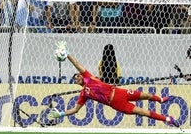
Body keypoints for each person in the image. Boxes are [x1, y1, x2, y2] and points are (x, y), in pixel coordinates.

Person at [50, 41, 180, 128]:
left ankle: (161, 100)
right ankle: (168, 119)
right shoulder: (84, 94)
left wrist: (67, 55)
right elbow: (75, 110)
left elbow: (77, 64)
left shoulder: (89, 77)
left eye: (77, 75)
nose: (77, 77)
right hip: (117, 103)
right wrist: (61, 114)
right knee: (143, 112)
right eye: (75, 78)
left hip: (119, 92)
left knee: (145, 95)